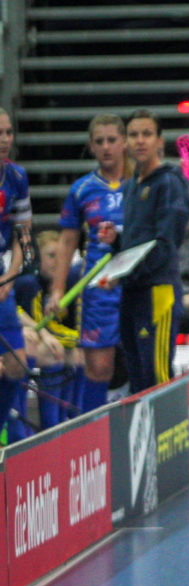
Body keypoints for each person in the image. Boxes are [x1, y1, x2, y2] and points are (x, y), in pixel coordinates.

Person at [96, 110, 189, 394]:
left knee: (157, 373)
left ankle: (174, 436)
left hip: (158, 291)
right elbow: (139, 242)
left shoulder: (170, 183)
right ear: (126, 142)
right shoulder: (132, 186)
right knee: (136, 374)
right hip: (133, 291)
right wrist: (117, 240)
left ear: (160, 141)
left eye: (147, 134)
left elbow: (165, 244)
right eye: (134, 135)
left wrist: (122, 272)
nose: (140, 141)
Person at [50, 114, 128, 415]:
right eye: (99, 141)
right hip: (99, 289)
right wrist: (56, 291)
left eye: (112, 140)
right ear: (91, 147)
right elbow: (67, 242)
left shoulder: (140, 185)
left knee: (142, 360)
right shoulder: (82, 189)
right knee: (99, 368)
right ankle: (91, 434)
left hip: (136, 284)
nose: (106, 147)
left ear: (124, 143)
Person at [17, 230, 83, 430]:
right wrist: (78, 339)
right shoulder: (29, 283)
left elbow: (55, 327)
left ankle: (69, 417)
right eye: (51, 256)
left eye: (61, 257)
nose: (57, 262)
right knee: (58, 351)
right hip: (19, 341)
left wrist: (78, 340)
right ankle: (51, 424)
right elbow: (42, 326)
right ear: (36, 258)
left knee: (77, 353)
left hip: (35, 338)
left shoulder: (51, 284)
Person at [0, 109, 39, 441]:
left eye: (8, 132)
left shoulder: (16, 177)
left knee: (15, 365)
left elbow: (24, 233)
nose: (4, 140)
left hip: (2, 282)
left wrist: (10, 276)